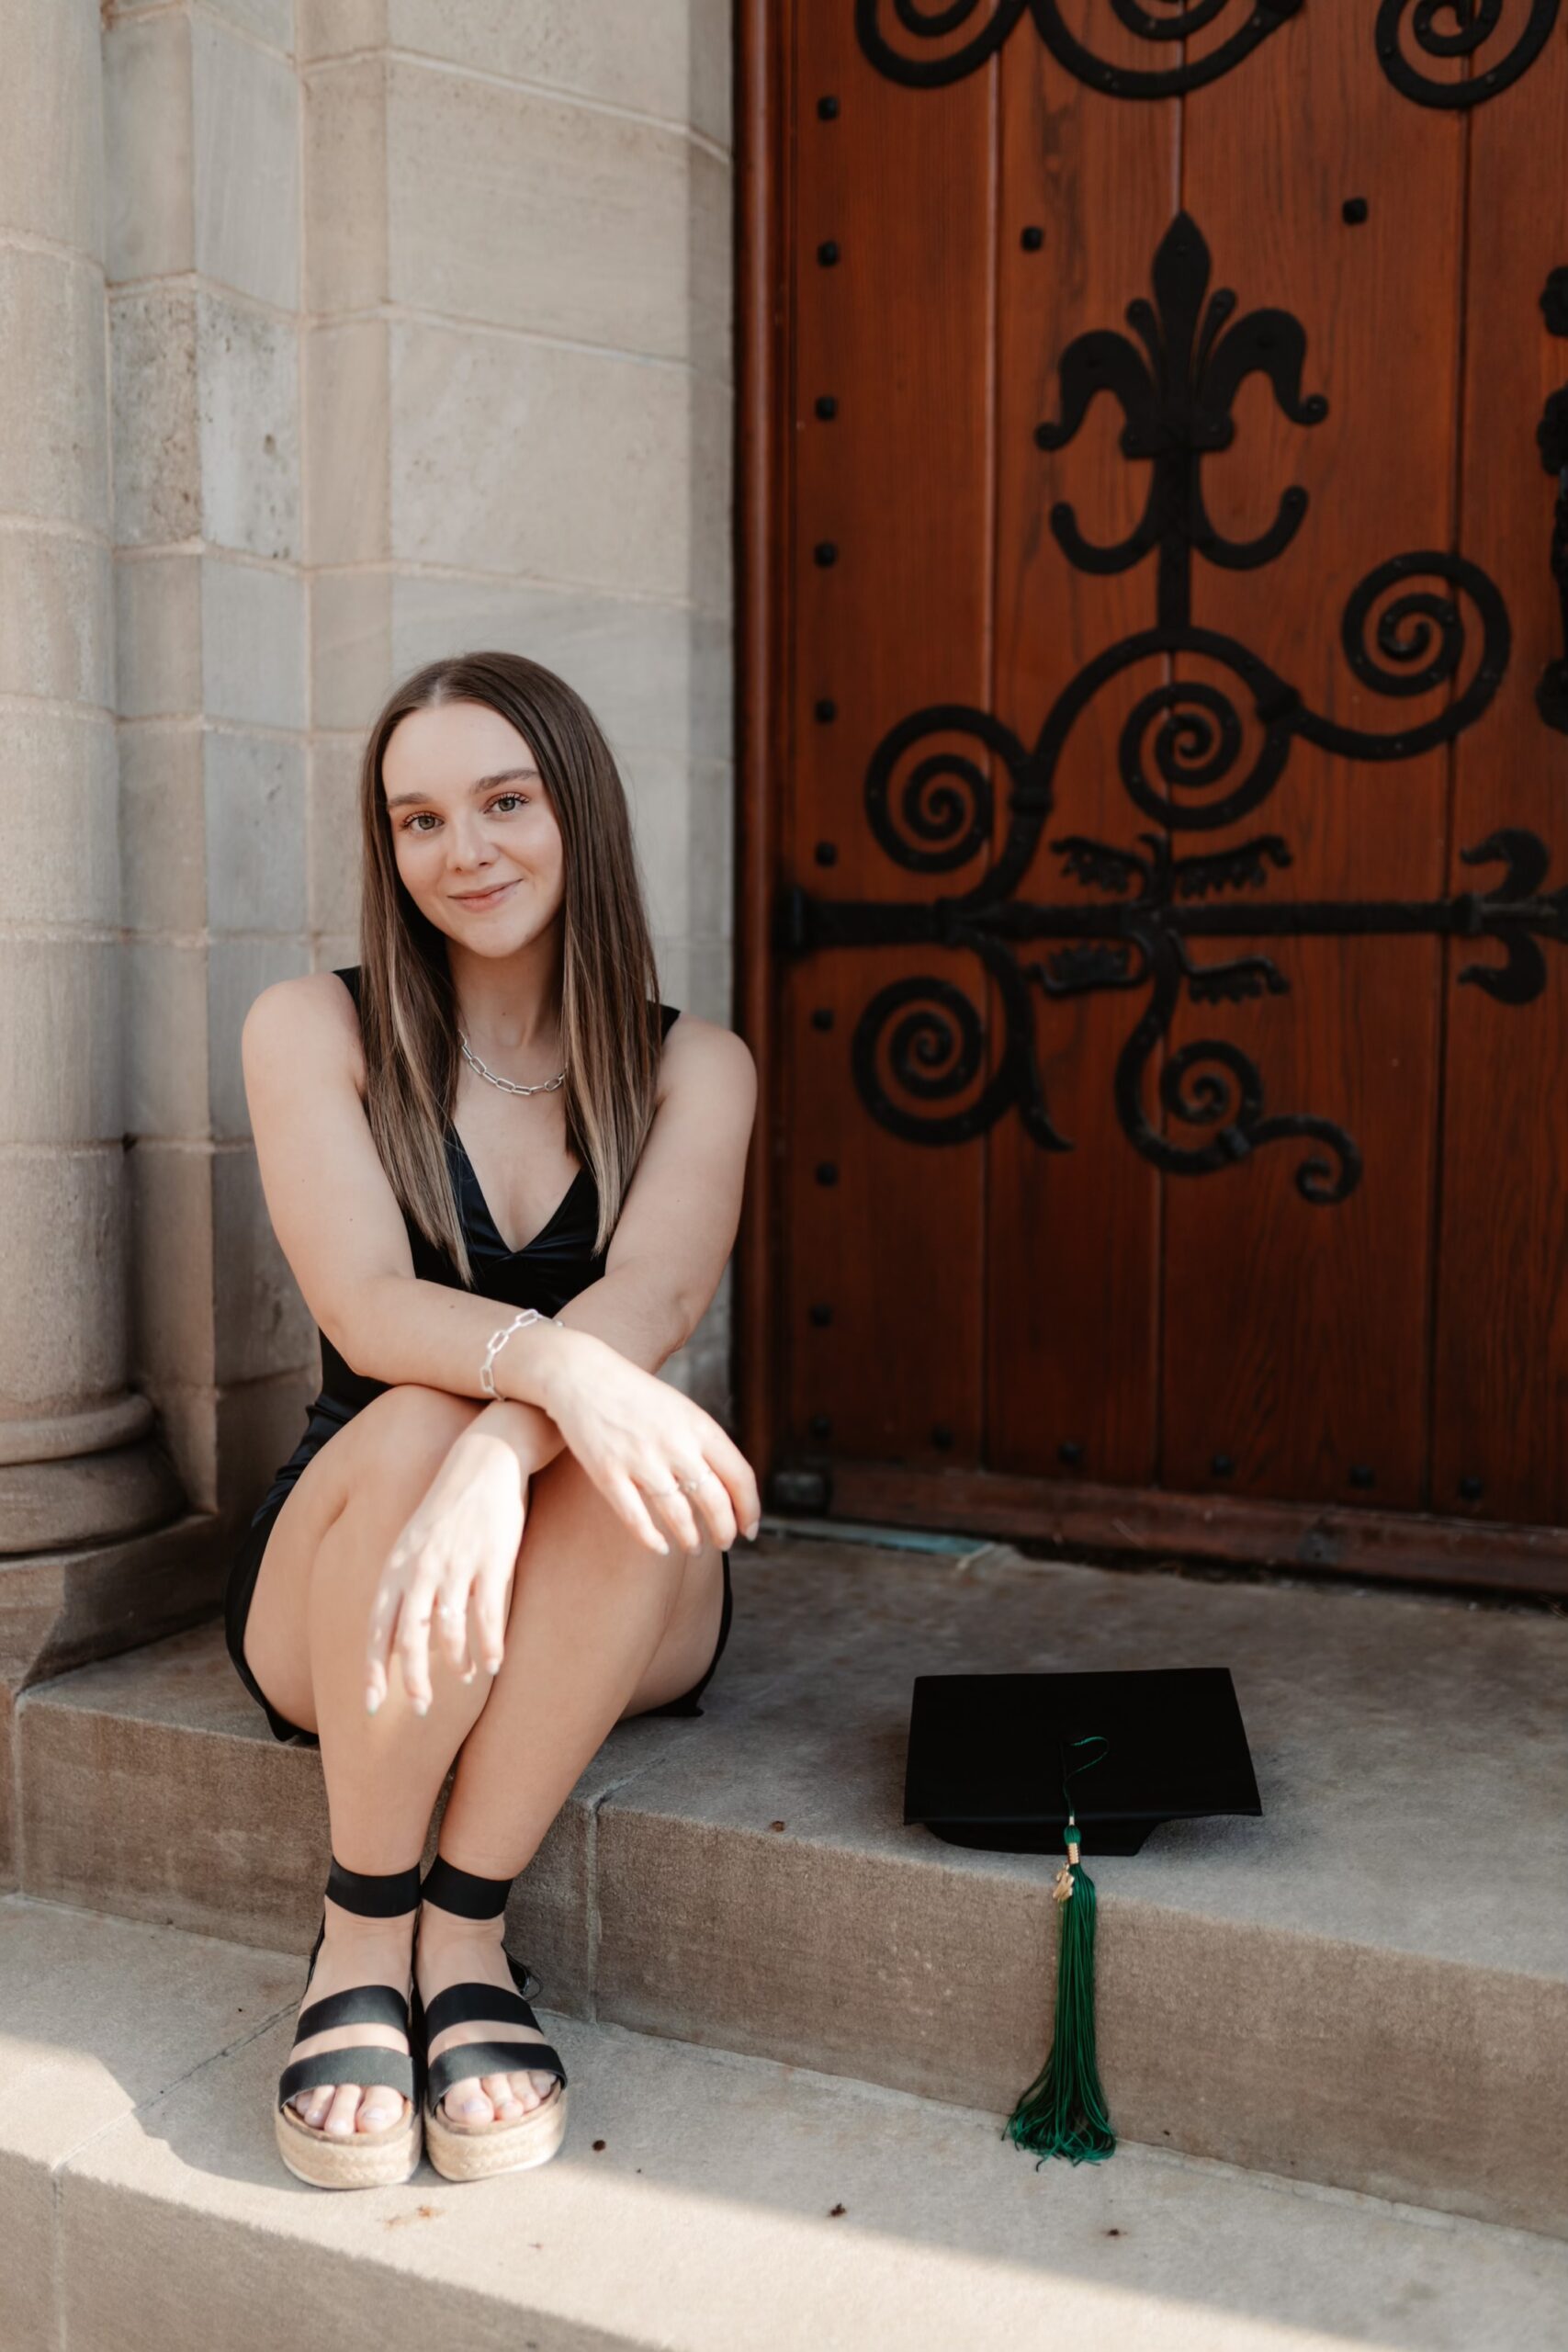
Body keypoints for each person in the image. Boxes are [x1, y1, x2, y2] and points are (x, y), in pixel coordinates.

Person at [222, 650, 761, 2188]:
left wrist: (509, 1439)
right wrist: (550, 1379)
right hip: (359, 1570)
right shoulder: (310, 1029)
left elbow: (650, 1300)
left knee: (581, 1452)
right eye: (418, 820)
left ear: (576, 809)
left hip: (602, 1579)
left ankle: (466, 1932)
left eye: (505, 801)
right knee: (397, 1423)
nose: (464, 853)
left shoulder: (692, 1067)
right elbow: (368, 1307)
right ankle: (362, 1931)